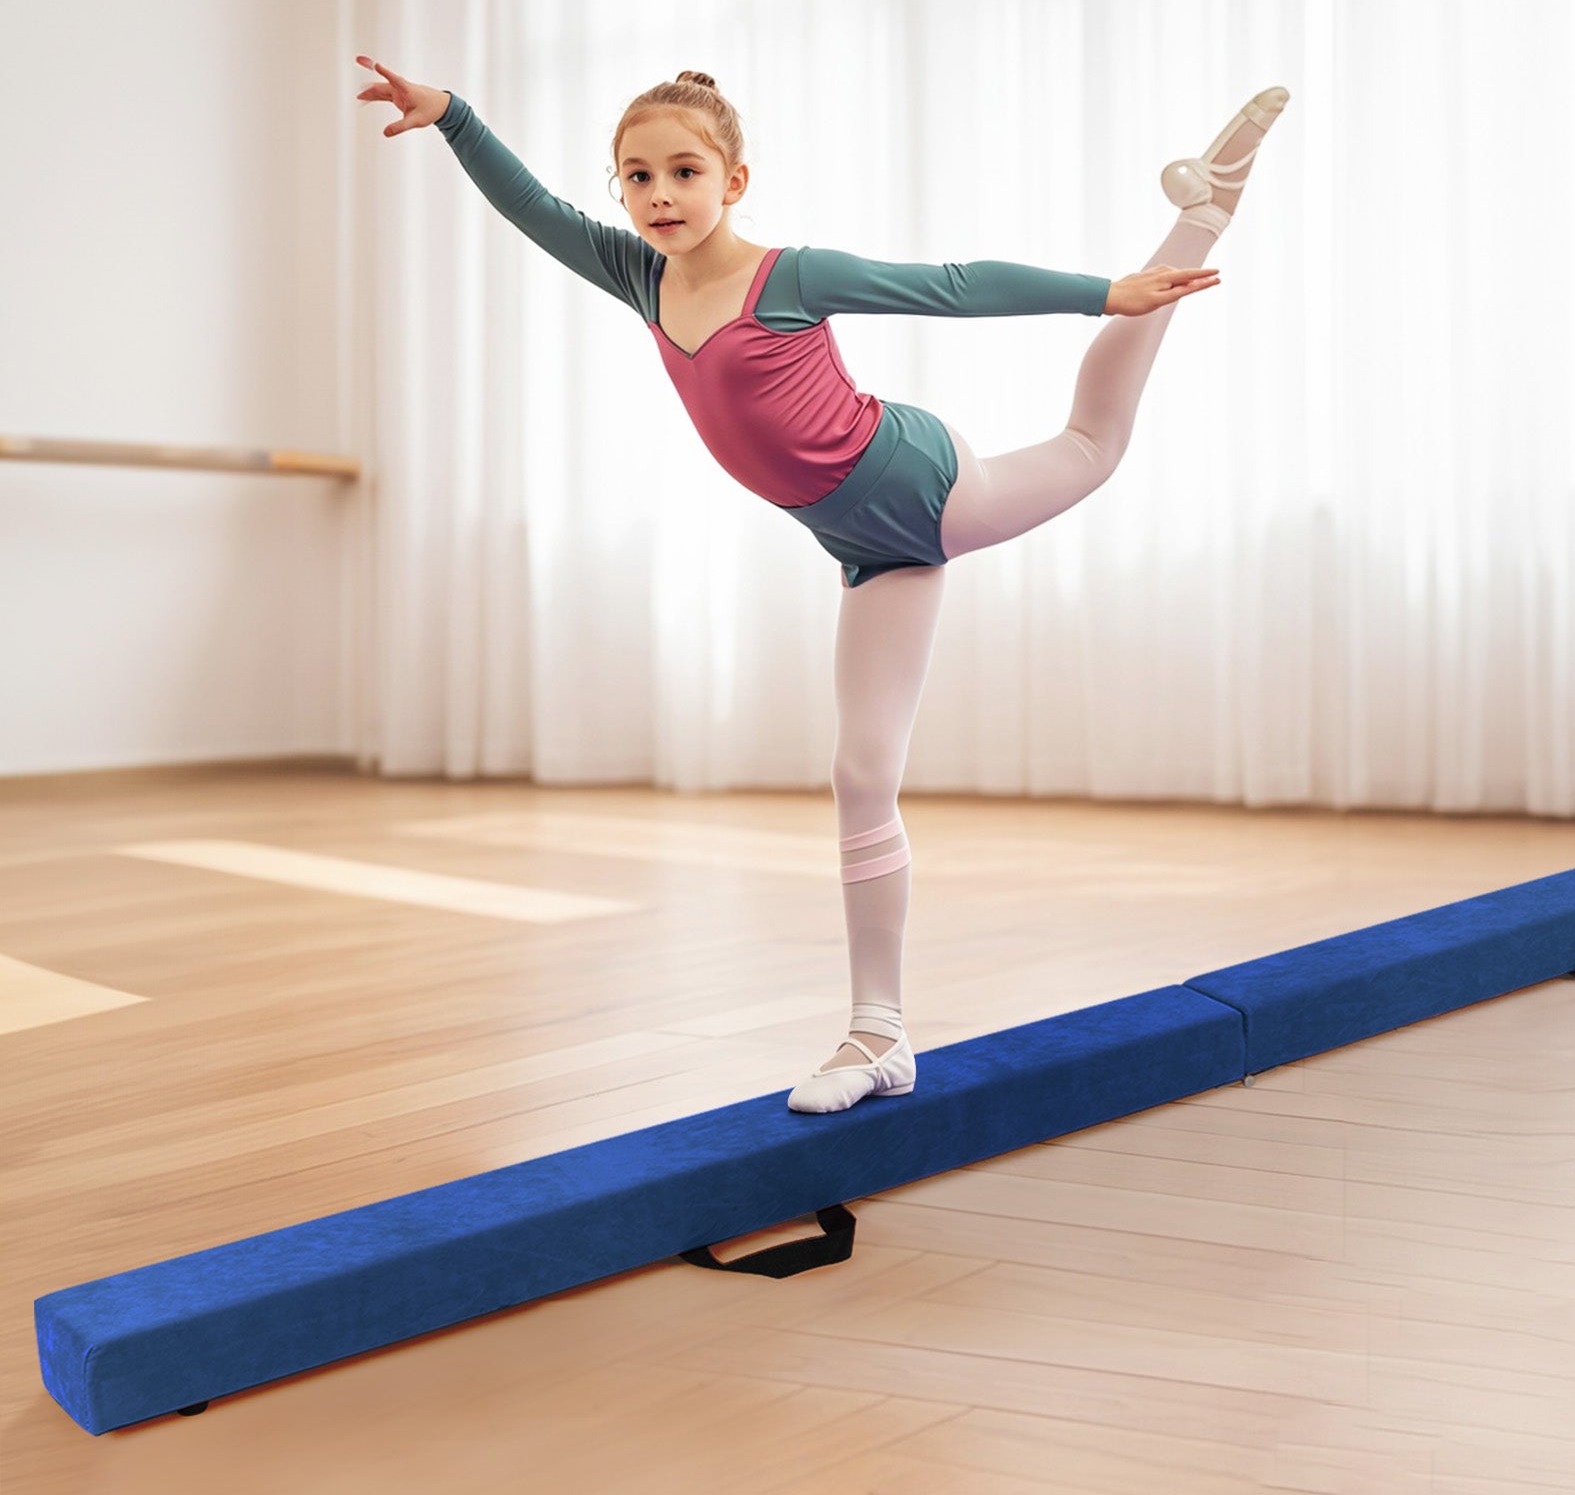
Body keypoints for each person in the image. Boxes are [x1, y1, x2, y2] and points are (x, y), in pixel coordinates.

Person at [355, 54, 1289, 1115]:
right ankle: (877, 1034)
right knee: (859, 775)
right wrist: (452, 118)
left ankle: (1199, 219)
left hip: (915, 481)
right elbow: (533, 208)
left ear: (733, 181)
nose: (660, 195)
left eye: (684, 172)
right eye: (637, 177)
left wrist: (1100, 296)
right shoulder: (638, 276)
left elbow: (947, 285)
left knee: (1091, 441)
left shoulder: (784, 276)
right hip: (867, 543)